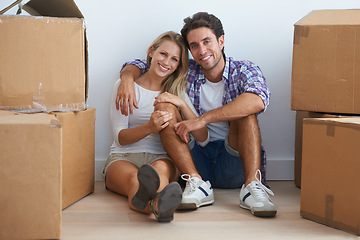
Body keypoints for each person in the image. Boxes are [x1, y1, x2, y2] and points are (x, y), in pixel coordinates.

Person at [117, 12, 277, 217]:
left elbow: (258, 99)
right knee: (165, 106)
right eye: (194, 45)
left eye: (207, 41)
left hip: (234, 159)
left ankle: (252, 187)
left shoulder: (244, 69)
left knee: (246, 111)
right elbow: (148, 63)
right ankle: (197, 184)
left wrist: (202, 120)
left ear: (221, 41)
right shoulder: (188, 70)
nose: (201, 51)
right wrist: (127, 78)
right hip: (195, 159)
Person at [102, 31, 210, 222]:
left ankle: (157, 204)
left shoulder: (176, 92)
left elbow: (203, 138)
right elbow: (120, 137)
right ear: (151, 52)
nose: (167, 62)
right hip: (123, 157)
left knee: (159, 173)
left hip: (161, 157)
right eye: (163, 54)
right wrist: (149, 128)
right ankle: (159, 206)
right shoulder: (126, 86)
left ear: (178, 65)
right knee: (135, 179)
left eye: (174, 59)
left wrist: (181, 103)